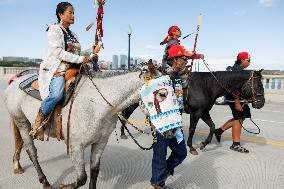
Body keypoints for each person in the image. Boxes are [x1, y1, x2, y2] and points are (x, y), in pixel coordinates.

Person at [29, 2, 99, 140]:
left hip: (74, 68)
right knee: (56, 95)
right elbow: (58, 53)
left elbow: (78, 53)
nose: (73, 15)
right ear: (61, 14)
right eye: (70, 12)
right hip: (57, 69)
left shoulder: (73, 35)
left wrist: (92, 50)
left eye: (74, 13)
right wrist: (81, 59)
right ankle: (38, 121)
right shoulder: (54, 30)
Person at [150, 45, 193, 189]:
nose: (186, 61)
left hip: (175, 122)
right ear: (174, 59)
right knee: (160, 155)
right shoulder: (161, 74)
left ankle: (160, 176)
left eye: (186, 59)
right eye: (183, 58)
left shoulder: (179, 75)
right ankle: (158, 184)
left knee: (181, 152)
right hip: (162, 122)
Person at [215, 51, 252, 153]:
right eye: (248, 60)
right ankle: (235, 144)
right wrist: (237, 103)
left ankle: (219, 131)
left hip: (238, 98)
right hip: (235, 98)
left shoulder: (237, 69)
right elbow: (234, 88)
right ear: (242, 60)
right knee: (238, 118)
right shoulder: (237, 71)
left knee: (241, 117)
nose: (250, 63)